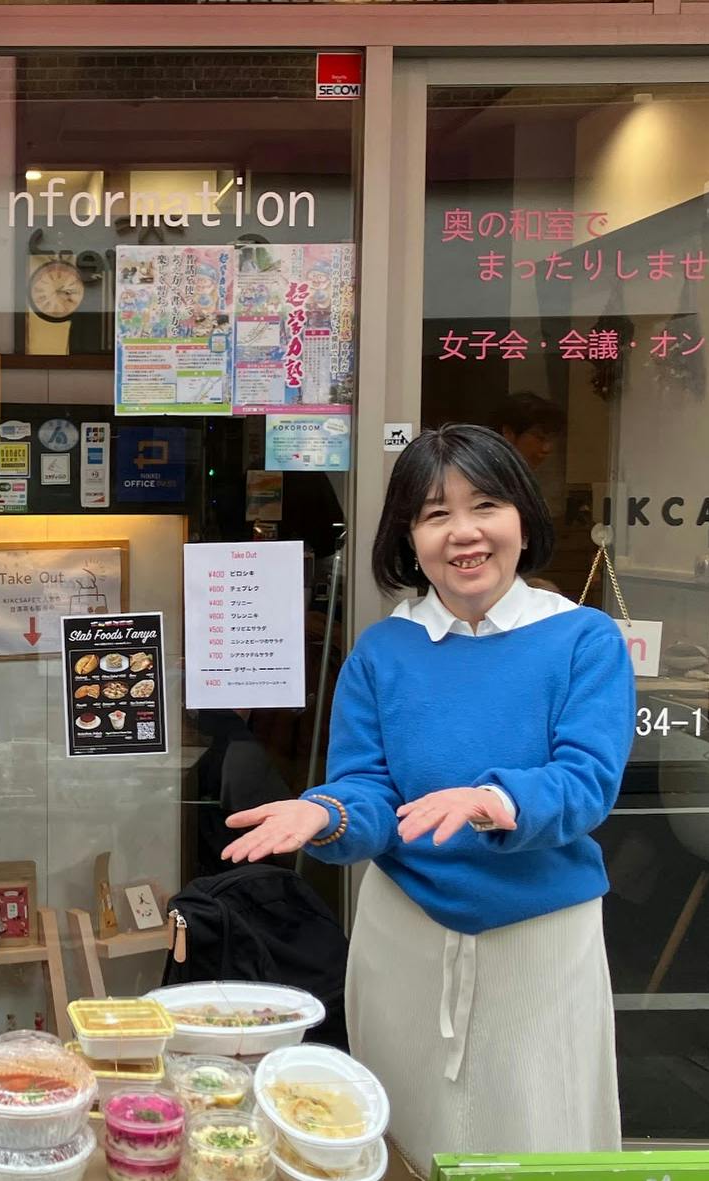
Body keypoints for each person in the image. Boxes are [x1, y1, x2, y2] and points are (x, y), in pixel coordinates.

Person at [223, 423, 633, 1171]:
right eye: (436, 513)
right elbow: (368, 790)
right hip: (404, 934)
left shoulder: (582, 639)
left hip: (538, 936)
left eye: (485, 505)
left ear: (522, 518)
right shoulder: (384, 650)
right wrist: (327, 811)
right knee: (398, 1125)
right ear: (408, 536)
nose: (464, 533)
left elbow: (587, 779)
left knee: (540, 1123)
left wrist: (493, 799)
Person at [490, 391, 565, 470]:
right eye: (539, 438)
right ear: (508, 432)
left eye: (551, 439)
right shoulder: (483, 476)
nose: (547, 449)